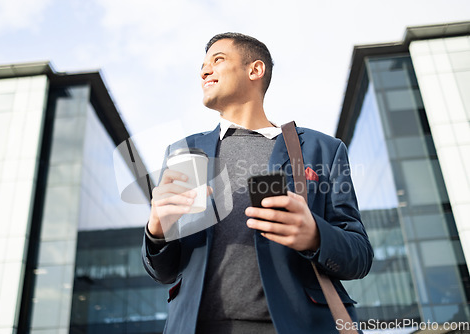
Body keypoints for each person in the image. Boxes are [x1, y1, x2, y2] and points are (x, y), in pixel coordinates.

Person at [142, 32, 373, 334]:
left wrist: (315, 235)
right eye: (202, 65)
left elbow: (359, 255)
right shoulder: (185, 152)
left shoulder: (322, 149)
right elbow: (164, 272)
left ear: (255, 70)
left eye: (217, 60)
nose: (204, 71)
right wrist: (157, 232)